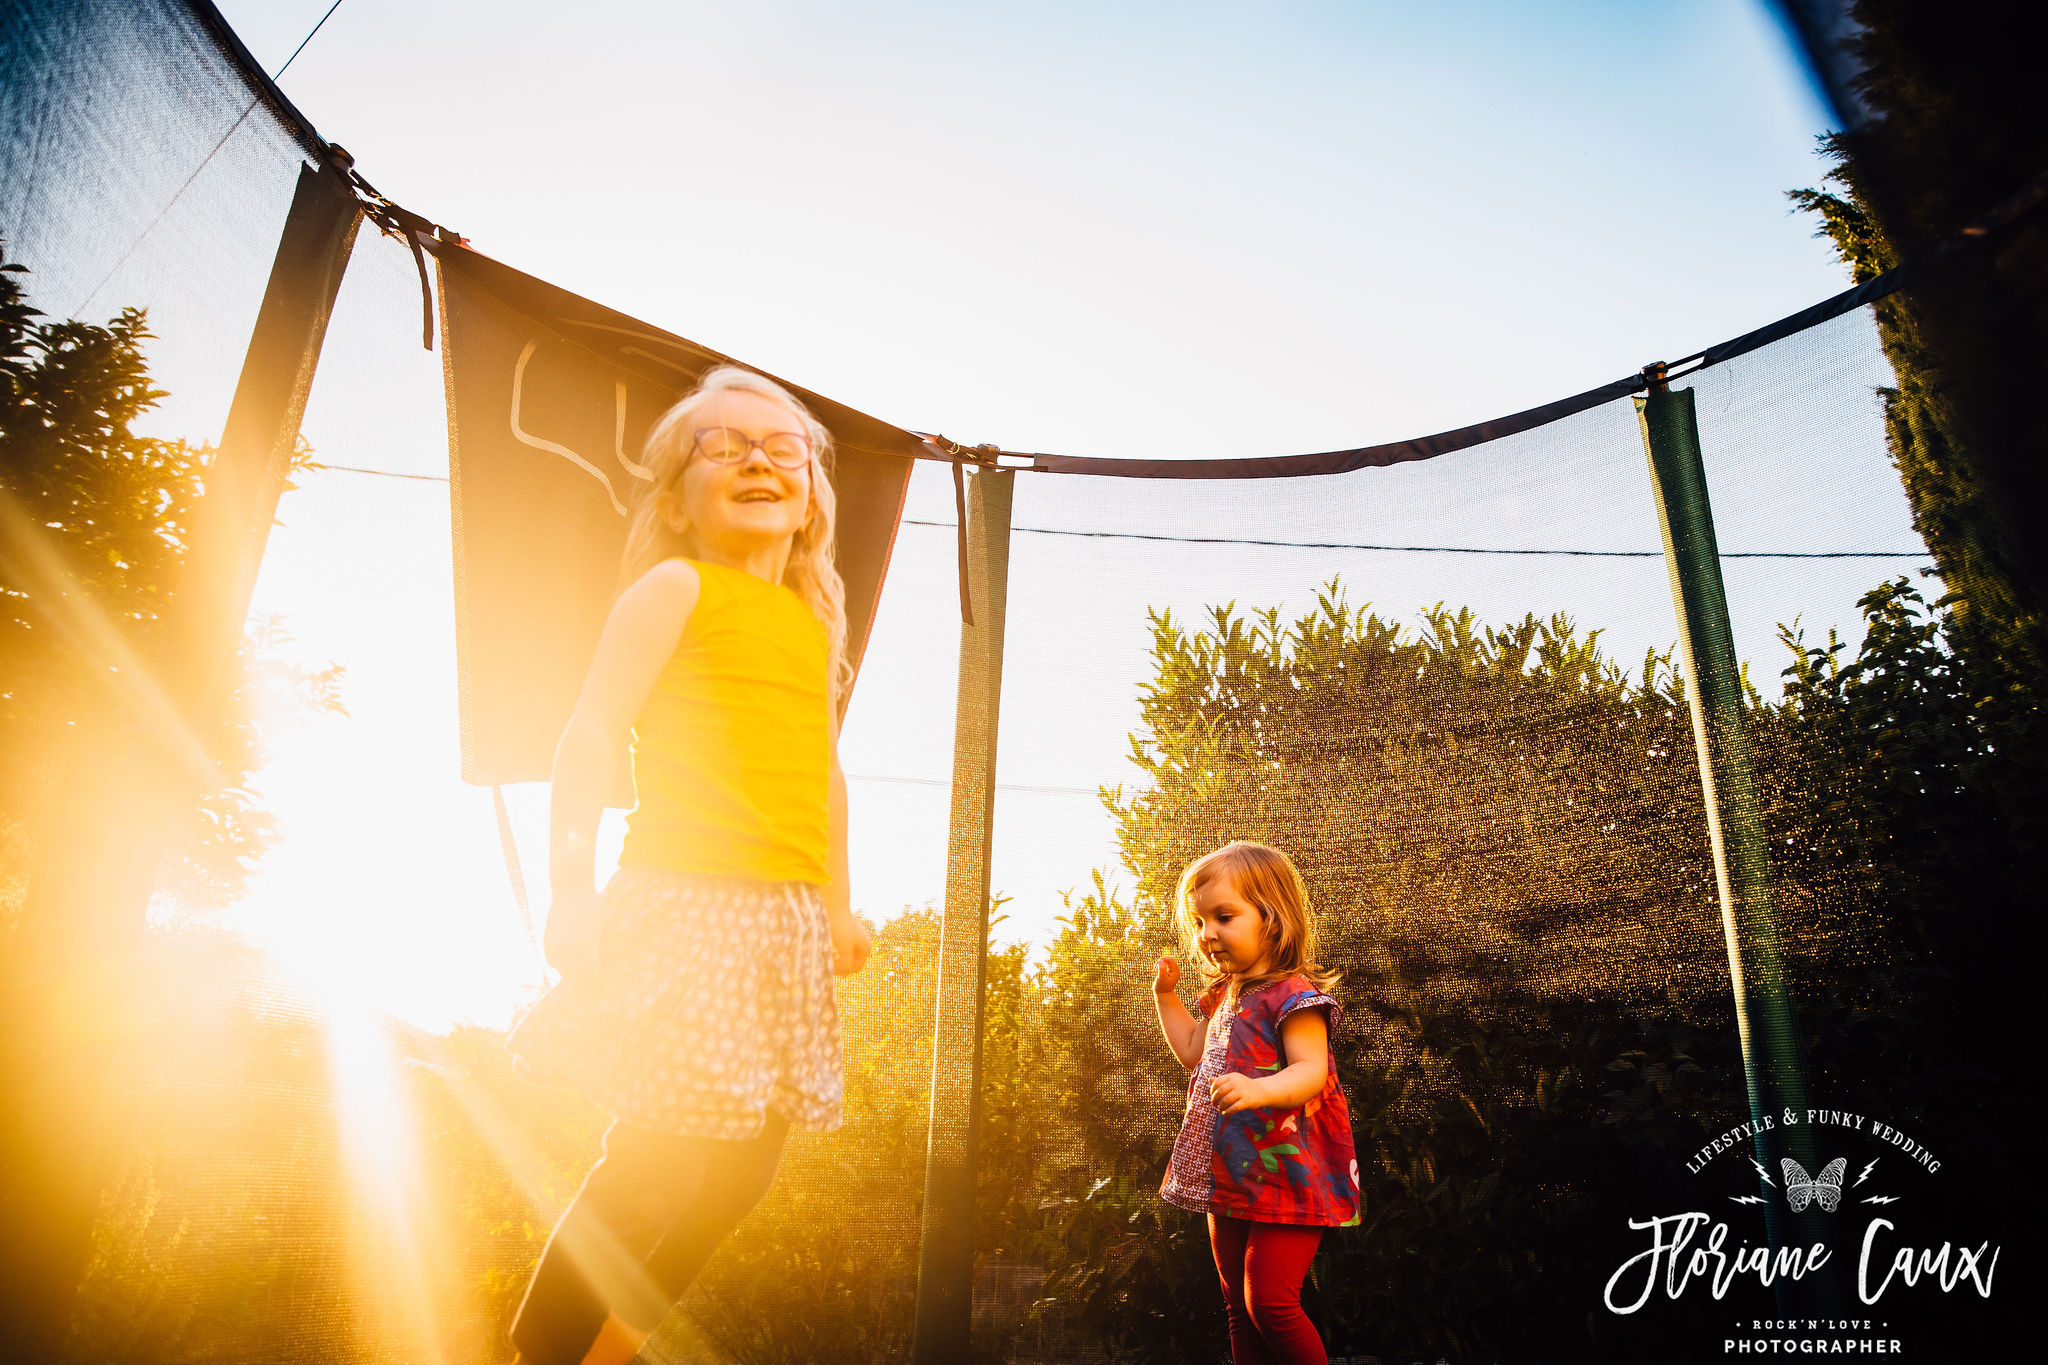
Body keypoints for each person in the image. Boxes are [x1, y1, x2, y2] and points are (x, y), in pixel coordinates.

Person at [504, 365, 874, 1365]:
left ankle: (606, 1346)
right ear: (674, 496)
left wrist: (838, 905)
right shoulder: (675, 587)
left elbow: (824, 773)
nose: (757, 457)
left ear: (809, 503)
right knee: (656, 1160)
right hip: (688, 902)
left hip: (786, 920)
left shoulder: (810, 625)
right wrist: (570, 888)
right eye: (723, 444)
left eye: (781, 447)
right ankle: (538, 1349)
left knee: (743, 1173)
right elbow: (587, 734)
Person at [1152, 841, 1359, 1365]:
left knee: (1269, 1302)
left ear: (1272, 919)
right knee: (1236, 1307)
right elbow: (1192, 1052)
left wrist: (1257, 1088)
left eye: (1224, 917)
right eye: (1200, 922)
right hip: (1229, 1171)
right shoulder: (1226, 995)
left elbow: (1311, 1071)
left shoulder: (1293, 996)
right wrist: (1166, 999)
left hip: (1287, 1171)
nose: (1208, 934)